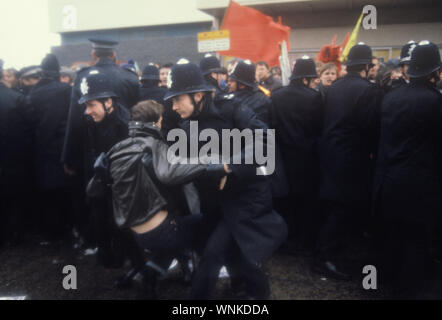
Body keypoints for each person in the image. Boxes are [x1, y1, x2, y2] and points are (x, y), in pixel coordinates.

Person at [164, 59, 287, 299]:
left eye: (177, 99)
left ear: (197, 95)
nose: (174, 106)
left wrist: (228, 165)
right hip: (215, 202)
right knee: (232, 252)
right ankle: (253, 291)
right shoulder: (188, 126)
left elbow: (264, 142)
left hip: (244, 199)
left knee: (212, 255)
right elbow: (181, 161)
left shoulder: (232, 109)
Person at [373, 41, 441, 298]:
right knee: (416, 240)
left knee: (394, 236)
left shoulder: (391, 97)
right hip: (421, 185)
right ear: (435, 72)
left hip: (389, 180)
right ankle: (408, 289)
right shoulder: (435, 102)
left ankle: (389, 281)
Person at [315, 43, 383, 279]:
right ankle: (326, 255)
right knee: (343, 207)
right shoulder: (369, 90)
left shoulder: (335, 87)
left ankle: (333, 251)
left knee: (334, 204)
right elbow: (370, 127)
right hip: (353, 156)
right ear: (366, 66)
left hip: (329, 151)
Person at [62, 38, 139, 178]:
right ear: (113, 55)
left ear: (93, 55)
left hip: (94, 147)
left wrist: (69, 157)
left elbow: (74, 119)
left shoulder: (83, 77)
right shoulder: (129, 76)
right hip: (127, 147)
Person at [271, 56, 323, 253]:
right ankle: (304, 241)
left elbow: (273, 125)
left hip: (283, 156)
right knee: (306, 201)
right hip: (307, 158)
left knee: (285, 202)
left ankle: (284, 240)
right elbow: (319, 127)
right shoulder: (314, 97)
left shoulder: (276, 95)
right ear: (305, 79)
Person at [26, 53, 74, 243]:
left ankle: (52, 232)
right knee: (65, 192)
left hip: (41, 148)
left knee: (48, 193)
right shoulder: (66, 90)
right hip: (63, 147)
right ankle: (67, 229)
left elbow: (29, 120)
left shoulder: (33, 93)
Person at [0, 60, 32, 246]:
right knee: (15, 197)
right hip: (15, 156)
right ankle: (16, 234)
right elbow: (30, 126)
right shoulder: (16, 98)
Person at [138, 63, 180, 137]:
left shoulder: (134, 94)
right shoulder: (166, 94)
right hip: (165, 135)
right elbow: (175, 117)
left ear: (142, 80)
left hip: (141, 135)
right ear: (158, 80)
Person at [227, 59, 271, 124]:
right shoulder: (264, 99)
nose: (228, 83)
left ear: (241, 85)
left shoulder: (230, 102)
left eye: (232, 81)